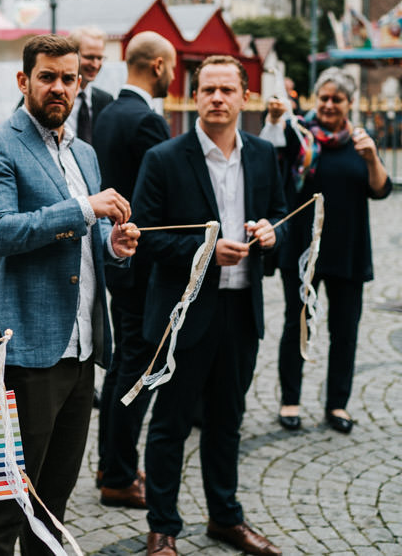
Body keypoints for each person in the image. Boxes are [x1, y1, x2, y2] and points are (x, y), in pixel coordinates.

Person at [0, 34, 139, 556]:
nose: (59, 87)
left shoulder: (84, 152)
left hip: (82, 350)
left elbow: (82, 247)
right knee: (3, 507)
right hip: (26, 353)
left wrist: (113, 245)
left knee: (52, 504)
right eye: (48, 76)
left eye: (69, 78)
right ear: (24, 81)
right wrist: (85, 210)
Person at [131, 55, 287, 556]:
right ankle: (163, 527)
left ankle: (225, 518)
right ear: (194, 96)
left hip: (241, 310)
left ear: (245, 96)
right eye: (208, 90)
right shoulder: (164, 158)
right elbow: (148, 241)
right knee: (171, 423)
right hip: (184, 313)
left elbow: (283, 217)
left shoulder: (263, 155)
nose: (217, 98)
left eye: (227, 90)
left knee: (227, 419)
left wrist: (270, 233)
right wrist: (204, 253)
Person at [262, 67, 391, 435]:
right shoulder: (299, 136)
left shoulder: (360, 140)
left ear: (350, 103)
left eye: (337, 99)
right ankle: (290, 399)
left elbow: (379, 190)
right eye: (324, 98)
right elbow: (270, 159)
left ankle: (338, 404)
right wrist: (274, 120)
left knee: (345, 329)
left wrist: (371, 158)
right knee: (296, 324)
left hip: (348, 248)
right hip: (303, 247)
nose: (329, 105)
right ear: (315, 100)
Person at [92, 31, 176, 509]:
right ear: (159, 66)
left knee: (125, 364)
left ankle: (111, 464)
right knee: (138, 369)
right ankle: (119, 474)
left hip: (119, 261)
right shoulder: (146, 120)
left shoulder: (108, 113)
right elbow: (158, 199)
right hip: (142, 265)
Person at [70, 26, 114, 143]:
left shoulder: (105, 100)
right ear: (72, 54)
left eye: (99, 58)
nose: (95, 64)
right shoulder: (52, 95)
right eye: (89, 57)